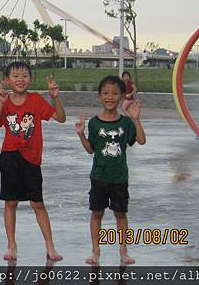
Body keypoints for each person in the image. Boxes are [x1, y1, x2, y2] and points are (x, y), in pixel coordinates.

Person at [0, 61, 66, 261]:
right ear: (7, 80)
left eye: (24, 75)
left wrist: (56, 98)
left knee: (38, 203)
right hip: (10, 156)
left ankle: (50, 246)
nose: (20, 79)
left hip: (31, 159)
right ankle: (11, 245)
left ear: (30, 79)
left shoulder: (36, 100)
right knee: (11, 202)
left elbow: (60, 117)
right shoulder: (5, 102)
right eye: (15, 76)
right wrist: (0, 103)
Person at [75, 76, 146, 265]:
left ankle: (123, 251)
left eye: (115, 94)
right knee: (96, 213)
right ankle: (95, 251)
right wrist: (81, 134)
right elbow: (91, 149)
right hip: (99, 176)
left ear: (122, 96)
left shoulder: (126, 123)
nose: (110, 97)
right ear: (99, 96)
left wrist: (136, 119)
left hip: (119, 177)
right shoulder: (94, 124)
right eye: (106, 93)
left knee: (120, 214)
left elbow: (140, 140)